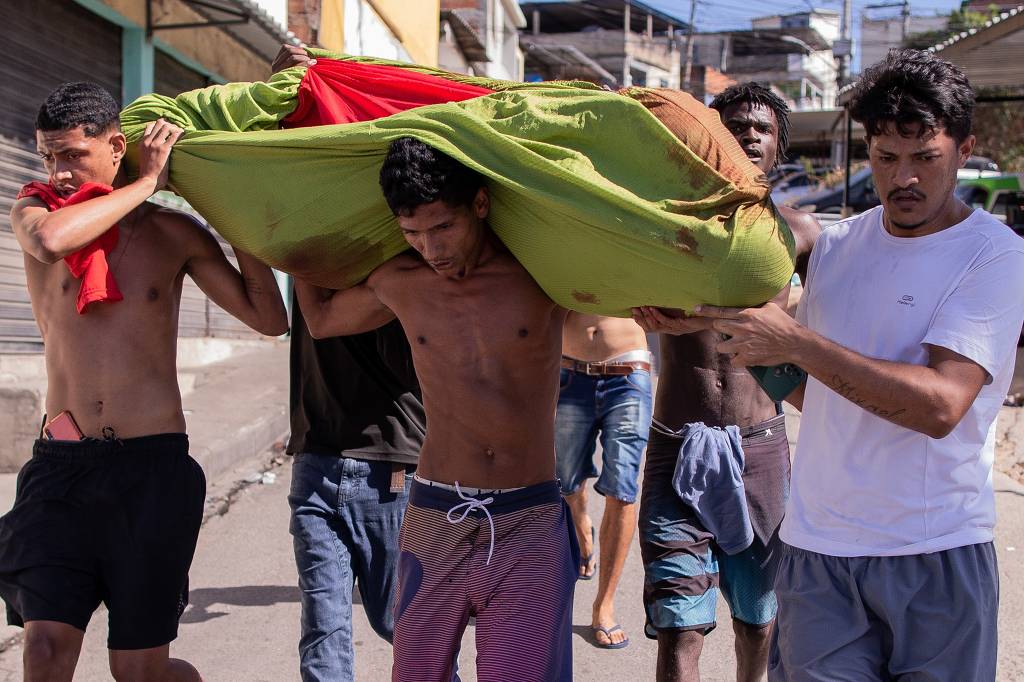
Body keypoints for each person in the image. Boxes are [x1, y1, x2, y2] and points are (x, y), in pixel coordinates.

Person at [693, 49, 1024, 681]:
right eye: (885, 158)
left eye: (925, 157)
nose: (904, 178)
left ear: (964, 149)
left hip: (935, 552)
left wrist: (795, 343)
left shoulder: (994, 255)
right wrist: (724, 328)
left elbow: (939, 405)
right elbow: (820, 395)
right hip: (820, 553)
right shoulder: (840, 246)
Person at [0, 82, 288, 681]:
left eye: (73, 155)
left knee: (137, 670)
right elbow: (52, 241)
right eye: (47, 155)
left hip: (151, 471)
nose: (57, 171)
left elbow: (269, 319)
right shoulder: (35, 212)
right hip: (61, 469)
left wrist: (233, 217)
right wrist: (146, 183)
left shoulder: (171, 235)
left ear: (116, 146)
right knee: (45, 651)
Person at [294, 138, 575, 681]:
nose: (430, 247)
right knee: (417, 671)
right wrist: (293, 245)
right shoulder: (401, 280)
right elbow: (323, 320)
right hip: (433, 511)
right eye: (411, 233)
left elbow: (626, 286)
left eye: (442, 227)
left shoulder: (542, 276)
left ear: (481, 204)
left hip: (529, 514)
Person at [631, 82, 820, 682]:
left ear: (779, 149)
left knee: (758, 622)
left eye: (761, 127)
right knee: (678, 627)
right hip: (675, 444)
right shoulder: (667, 226)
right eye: (733, 124)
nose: (748, 134)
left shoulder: (800, 233)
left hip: (761, 448)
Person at [271, 44, 427, 682]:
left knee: (403, 628)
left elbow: (321, 318)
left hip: (390, 468)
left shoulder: (408, 256)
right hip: (317, 460)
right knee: (324, 626)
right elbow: (259, 165)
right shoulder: (313, 232)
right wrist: (289, 83)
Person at [555, 314, 652, 649]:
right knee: (565, 482)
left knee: (623, 491)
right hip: (568, 369)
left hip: (629, 371)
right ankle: (583, 525)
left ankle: (604, 605)